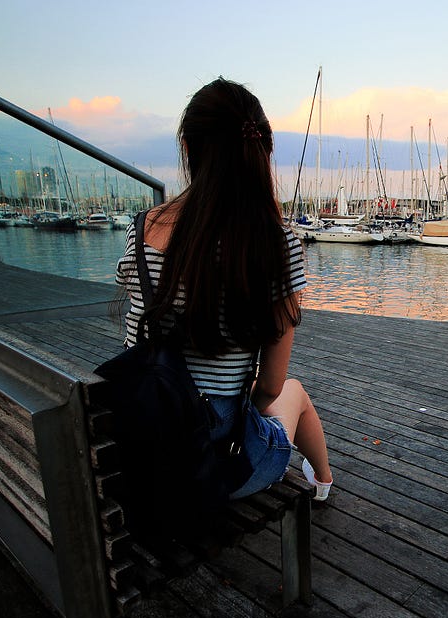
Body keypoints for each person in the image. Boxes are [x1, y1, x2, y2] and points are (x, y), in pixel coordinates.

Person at [114, 79, 333, 501]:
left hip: (138, 443)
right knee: (293, 392)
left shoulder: (142, 228)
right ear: (261, 150)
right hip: (211, 468)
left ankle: (322, 479)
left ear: (188, 148)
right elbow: (269, 388)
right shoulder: (276, 245)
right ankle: (323, 481)